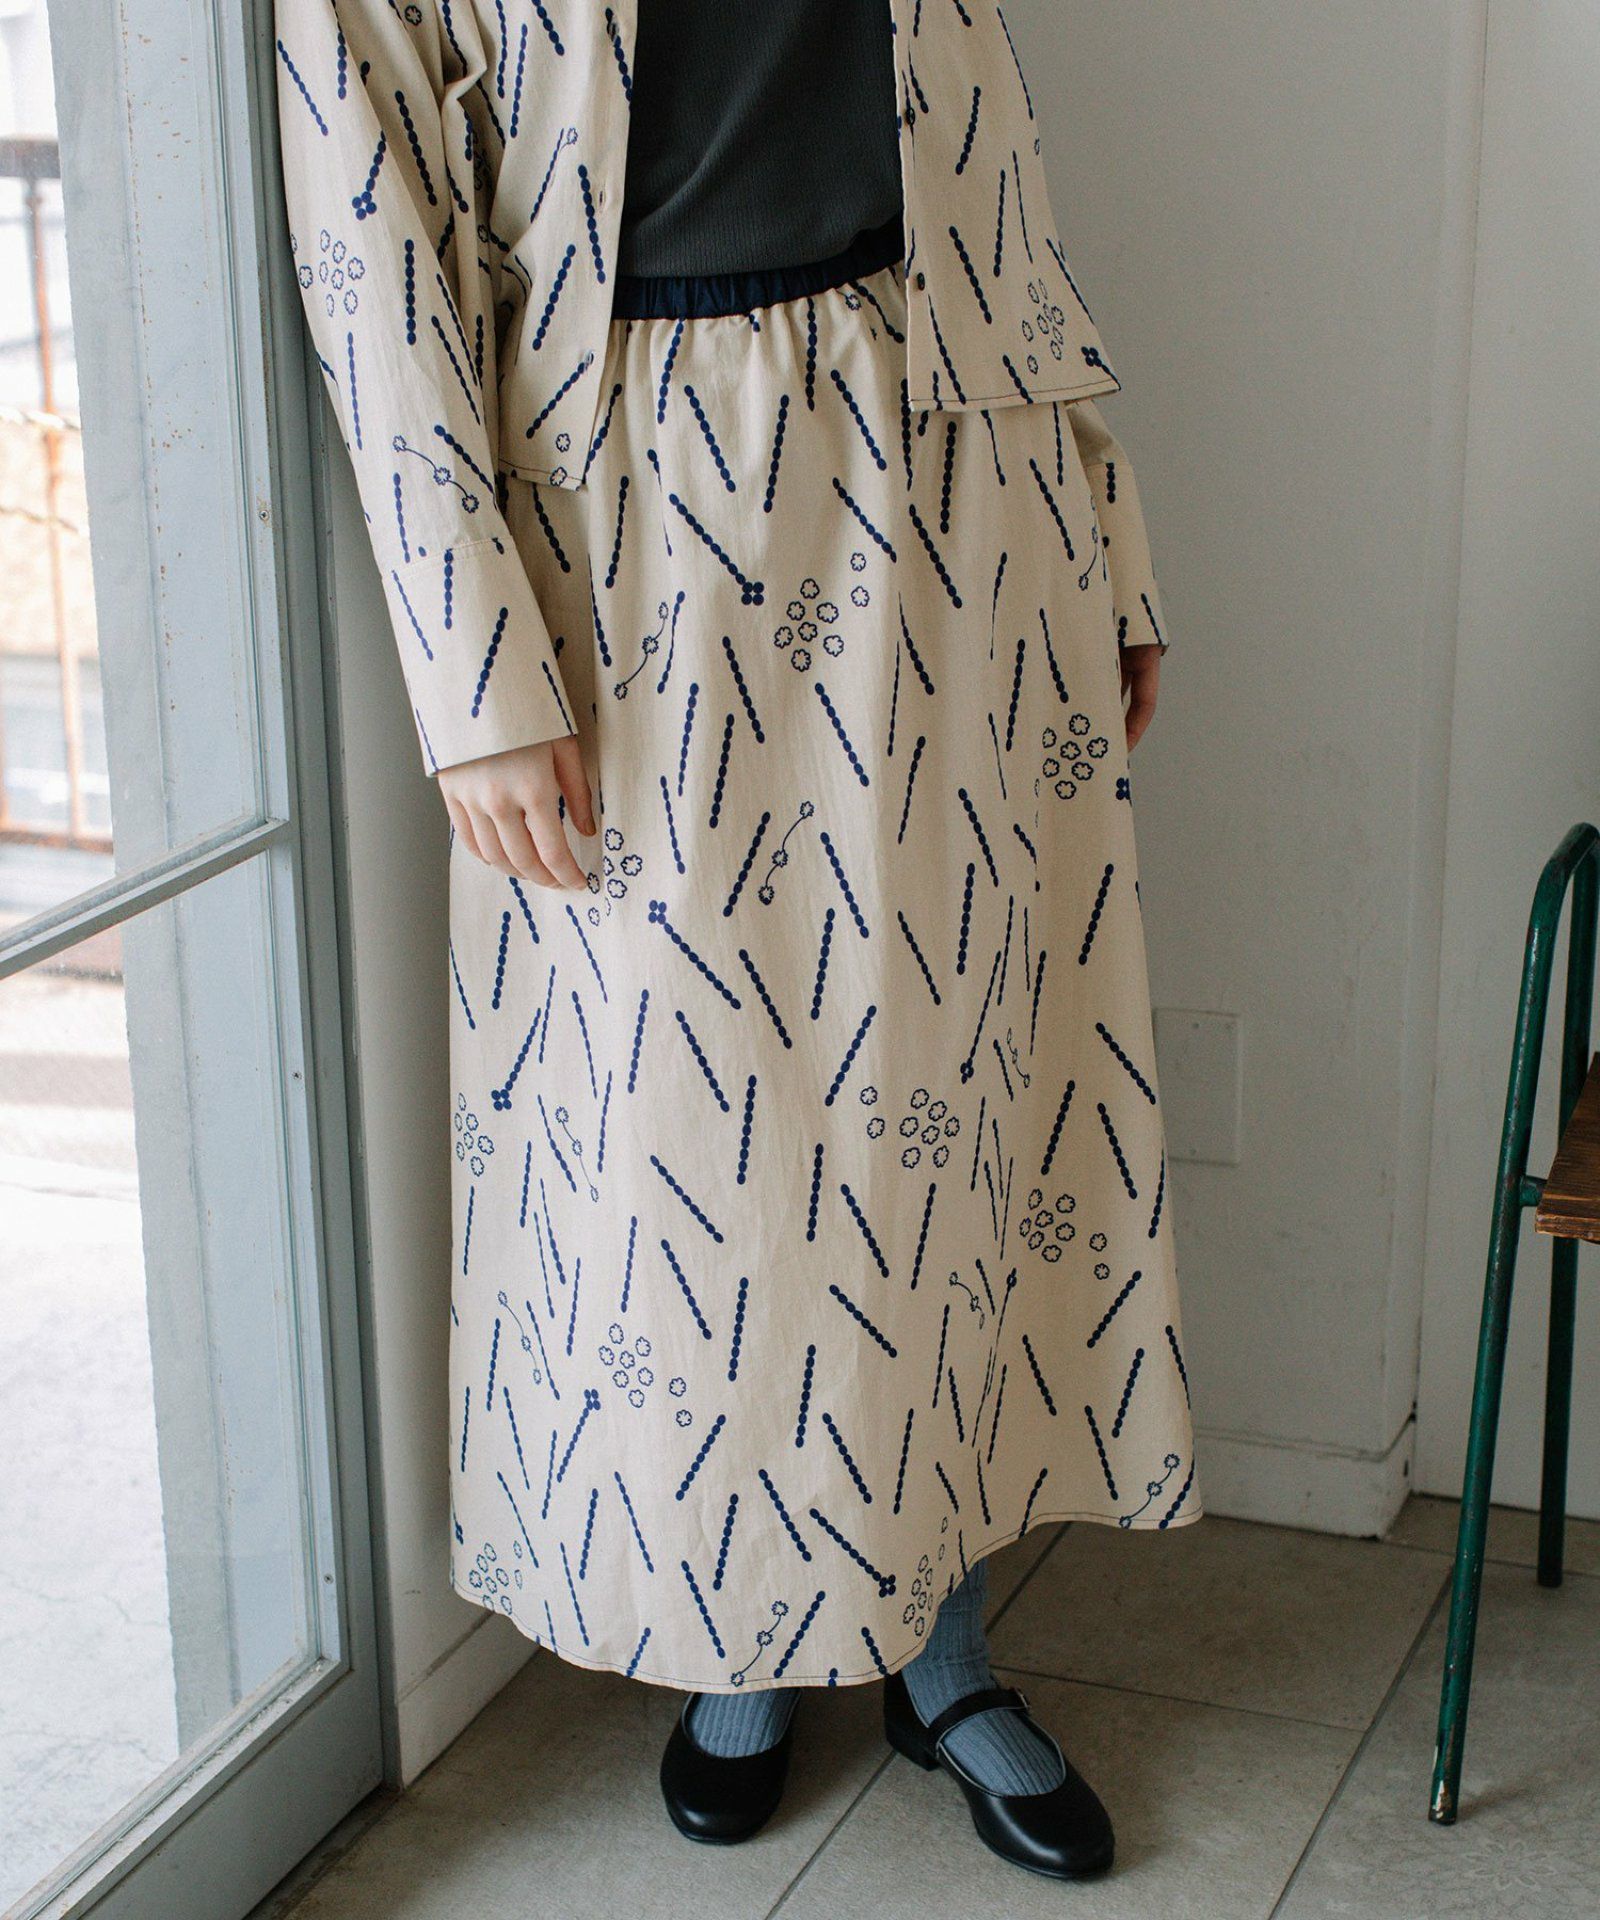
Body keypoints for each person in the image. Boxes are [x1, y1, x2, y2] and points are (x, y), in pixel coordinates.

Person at [275, 0, 1200, 1881]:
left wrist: (1104, 522)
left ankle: (941, 1656)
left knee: (942, 1093)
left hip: (959, 454)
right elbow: (367, 223)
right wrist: (470, 665)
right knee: (707, 1142)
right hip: (632, 499)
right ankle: (743, 1641)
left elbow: (985, 120)